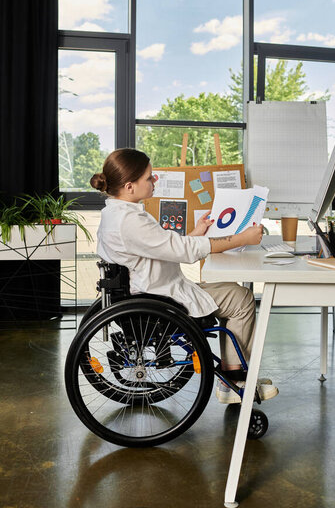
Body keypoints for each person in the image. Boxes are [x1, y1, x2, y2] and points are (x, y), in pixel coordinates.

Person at [90, 148, 278, 404]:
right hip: (160, 296)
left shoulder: (115, 214)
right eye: (149, 177)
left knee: (231, 292)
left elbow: (161, 247)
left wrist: (196, 232)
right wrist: (241, 239)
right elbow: (184, 252)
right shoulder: (130, 221)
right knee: (241, 298)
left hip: (149, 289)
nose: (154, 180)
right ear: (129, 186)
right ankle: (234, 379)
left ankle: (234, 372)